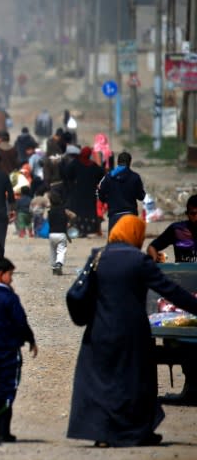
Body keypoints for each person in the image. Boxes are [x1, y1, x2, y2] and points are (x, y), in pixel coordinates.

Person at [67, 215, 197, 447]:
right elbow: (169, 290)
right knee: (136, 382)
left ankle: (102, 434)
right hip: (132, 331)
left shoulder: (98, 256)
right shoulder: (139, 261)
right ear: (136, 234)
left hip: (99, 329)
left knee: (101, 381)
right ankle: (137, 432)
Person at [145, 195, 197, 405]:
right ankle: (192, 385)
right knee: (177, 337)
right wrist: (154, 259)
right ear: (187, 214)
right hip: (184, 295)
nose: (196, 218)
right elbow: (153, 247)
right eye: (192, 213)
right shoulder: (178, 230)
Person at [0, 257, 37, 443]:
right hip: (8, 352)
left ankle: (3, 431)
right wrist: (30, 339)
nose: (12, 279)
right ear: (0, 275)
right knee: (7, 392)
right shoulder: (9, 297)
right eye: (10, 275)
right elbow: (20, 321)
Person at [97, 151, 145, 235]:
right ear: (129, 162)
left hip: (114, 215)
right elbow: (141, 196)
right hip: (131, 214)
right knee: (131, 242)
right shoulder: (135, 177)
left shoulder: (109, 177)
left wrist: (107, 200)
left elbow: (100, 193)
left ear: (118, 162)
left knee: (113, 243)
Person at [64, 146, 105, 237]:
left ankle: (77, 229)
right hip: (90, 192)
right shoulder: (93, 166)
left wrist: (72, 183)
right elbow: (102, 174)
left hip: (77, 192)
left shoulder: (75, 163)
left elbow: (67, 173)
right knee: (89, 210)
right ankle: (90, 230)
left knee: (77, 210)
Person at [47, 190, 75, 275]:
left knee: (53, 251)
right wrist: (69, 223)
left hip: (52, 234)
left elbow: (48, 221)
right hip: (61, 234)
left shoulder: (49, 211)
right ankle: (59, 264)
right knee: (61, 250)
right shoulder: (64, 210)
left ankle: (53, 266)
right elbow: (74, 216)